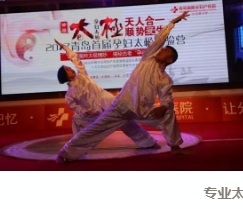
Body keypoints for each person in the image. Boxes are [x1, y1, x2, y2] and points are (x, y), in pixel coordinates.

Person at [56, 11, 189, 164]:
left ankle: (174, 146)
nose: (162, 49)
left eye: (166, 51)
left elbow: (167, 97)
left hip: (140, 110)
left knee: (168, 113)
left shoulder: (165, 79)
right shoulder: (148, 59)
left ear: (169, 60)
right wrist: (172, 23)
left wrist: (164, 106)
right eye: (163, 48)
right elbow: (159, 39)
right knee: (96, 129)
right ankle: (66, 153)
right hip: (120, 106)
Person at [55, 38, 159, 148]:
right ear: (65, 76)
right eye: (67, 69)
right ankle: (79, 145)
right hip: (95, 112)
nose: (71, 68)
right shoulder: (69, 95)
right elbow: (74, 106)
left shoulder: (82, 75)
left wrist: (65, 48)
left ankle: (148, 142)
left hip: (108, 101)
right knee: (77, 120)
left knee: (125, 120)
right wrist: (86, 111)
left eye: (69, 67)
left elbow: (76, 59)